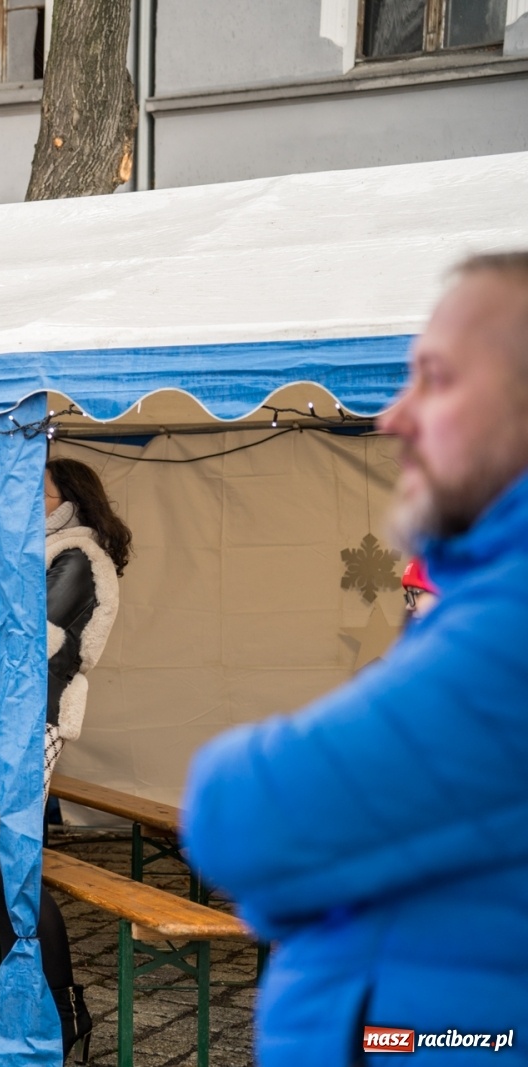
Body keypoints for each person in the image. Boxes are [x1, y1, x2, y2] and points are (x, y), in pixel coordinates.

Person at [183, 253, 528, 1067]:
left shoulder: (510, 624)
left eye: (436, 378)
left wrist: (312, 887)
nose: (394, 416)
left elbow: (240, 818)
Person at [0, 457, 131, 1058]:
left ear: (72, 500)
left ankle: (62, 1014)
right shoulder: (23, 555)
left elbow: (28, 642)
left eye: (40, 496)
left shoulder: (77, 555)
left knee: (13, 870)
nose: (26, 505)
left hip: (27, 721)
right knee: (1, 867)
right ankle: (21, 1012)